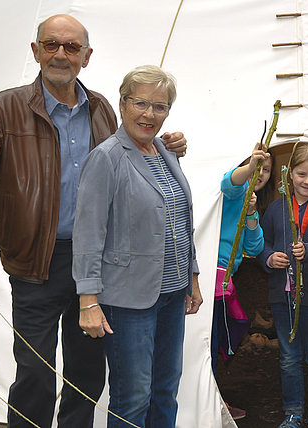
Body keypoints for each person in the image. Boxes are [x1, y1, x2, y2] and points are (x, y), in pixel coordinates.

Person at [0, 14, 186, 428]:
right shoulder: (4, 106)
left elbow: (124, 157)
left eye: (71, 47)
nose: (61, 54)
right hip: (35, 261)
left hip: (97, 265)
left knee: (87, 377)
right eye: (52, 44)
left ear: (86, 57)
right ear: (36, 51)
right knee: (35, 372)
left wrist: (159, 145)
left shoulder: (103, 109)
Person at [72, 64, 202, 427]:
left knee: (165, 390)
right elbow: (88, 234)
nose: (149, 114)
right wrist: (88, 299)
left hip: (173, 295)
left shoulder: (165, 152)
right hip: (127, 303)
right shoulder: (107, 157)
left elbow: (179, 219)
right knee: (133, 398)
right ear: (123, 103)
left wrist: (191, 274)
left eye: (159, 107)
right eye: (140, 103)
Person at [259, 144, 308, 428]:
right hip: (282, 296)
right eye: (301, 174)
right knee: (288, 358)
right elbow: (261, 244)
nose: (307, 181)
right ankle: (293, 413)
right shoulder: (276, 208)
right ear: (289, 174)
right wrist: (269, 258)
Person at [212, 143, 274, 420]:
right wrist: (249, 168)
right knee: (211, 341)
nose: (261, 174)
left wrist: (251, 215)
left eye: (266, 170)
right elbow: (230, 182)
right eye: (257, 167)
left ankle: (214, 400)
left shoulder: (251, 206)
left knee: (219, 340)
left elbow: (254, 246)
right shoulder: (233, 194)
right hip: (213, 275)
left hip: (227, 279)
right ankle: (211, 403)